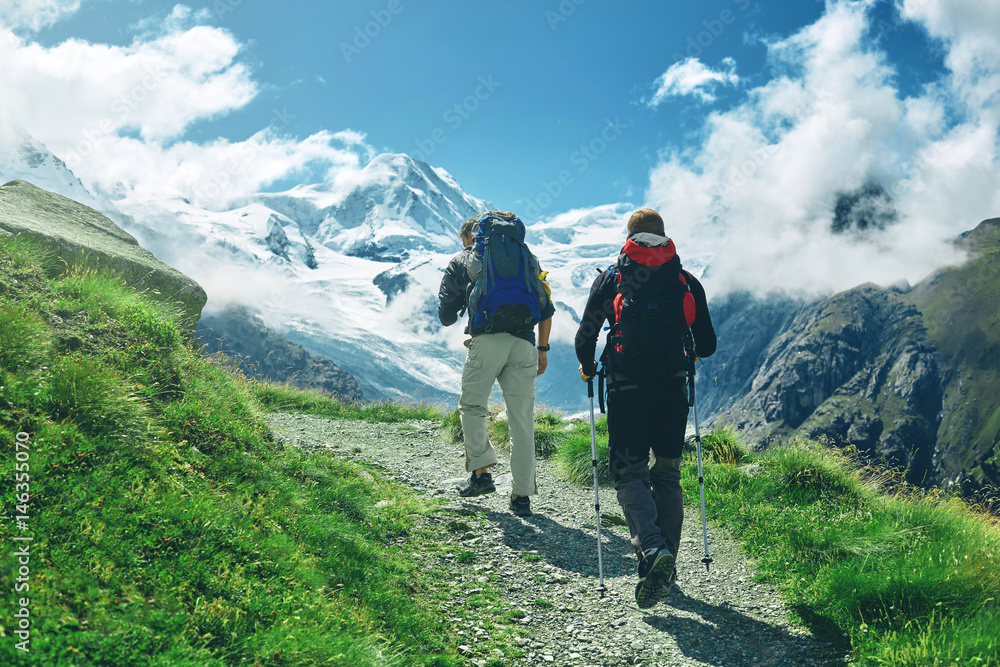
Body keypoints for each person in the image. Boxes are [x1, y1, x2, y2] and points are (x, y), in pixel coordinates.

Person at [574, 208, 716, 609]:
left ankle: (653, 551)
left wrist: (588, 367)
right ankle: (664, 561)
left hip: (627, 390)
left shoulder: (613, 278)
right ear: (665, 237)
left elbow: (584, 337)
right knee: (667, 474)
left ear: (629, 237)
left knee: (629, 472)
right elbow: (707, 345)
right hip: (672, 390)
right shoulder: (686, 281)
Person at [438, 212, 555, 517]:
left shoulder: (466, 258)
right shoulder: (527, 258)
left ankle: (481, 474)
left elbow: (446, 313)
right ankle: (522, 496)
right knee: (522, 420)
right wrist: (542, 348)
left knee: (473, 406)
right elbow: (546, 306)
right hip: (525, 343)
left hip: (487, 341)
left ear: (471, 236)